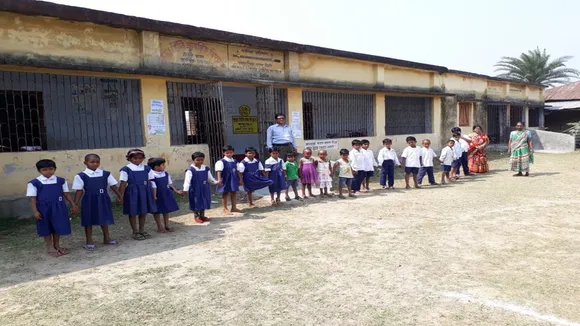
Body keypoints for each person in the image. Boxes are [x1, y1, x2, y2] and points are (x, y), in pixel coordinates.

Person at [27, 159, 77, 257]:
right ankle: (50, 247)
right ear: (39, 171)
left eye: (51, 169)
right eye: (44, 170)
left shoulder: (61, 181)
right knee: (46, 226)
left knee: (57, 225)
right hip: (43, 208)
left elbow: (66, 194)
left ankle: (57, 245)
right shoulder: (34, 183)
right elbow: (33, 198)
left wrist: (73, 204)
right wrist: (35, 211)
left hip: (58, 206)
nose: (48, 172)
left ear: (55, 169)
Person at [72, 154, 122, 251]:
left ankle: (107, 238)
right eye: (92, 162)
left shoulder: (106, 174)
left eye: (97, 162)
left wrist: (120, 195)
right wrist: (75, 204)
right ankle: (89, 240)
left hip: (103, 198)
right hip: (89, 199)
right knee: (88, 219)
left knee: (104, 217)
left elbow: (113, 186)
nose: (95, 164)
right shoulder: (81, 176)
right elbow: (79, 191)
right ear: (85, 163)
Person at [119, 149, 157, 241]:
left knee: (143, 211)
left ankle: (142, 230)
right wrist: (121, 195)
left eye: (140, 158)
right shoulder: (126, 169)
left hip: (144, 191)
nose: (138, 160)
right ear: (129, 158)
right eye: (135, 158)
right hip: (132, 192)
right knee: (133, 212)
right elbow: (123, 183)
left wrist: (152, 193)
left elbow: (150, 181)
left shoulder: (147, 168)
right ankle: (135, 231)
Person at [149, 157, 182, 233]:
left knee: (166, 210)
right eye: (163, 165)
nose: (164, 166)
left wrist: (176, 191)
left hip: (166, 194)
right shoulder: (151, 175)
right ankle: (160, 227)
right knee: (156, 211)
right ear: (156, 167)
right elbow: (153, 186)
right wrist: (154, 196)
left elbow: (170, 184)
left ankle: (167, 225)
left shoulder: (166, 173)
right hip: (157, 195)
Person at [184, 152, 217, 223]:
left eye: (201, 160)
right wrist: (185, 190)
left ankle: (202, 215)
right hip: (195, 189)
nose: (200, 162)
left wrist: (216, 182)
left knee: (204, 201)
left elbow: (210, 178)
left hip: (204, 188)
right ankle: (196, 216)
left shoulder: (205, 168)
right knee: (196, 202)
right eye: (198, 160)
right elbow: (187, 181)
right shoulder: (190, 170)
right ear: (193, 160)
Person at [216, 145, 242, 215]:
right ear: (223, 153)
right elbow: (219, 171)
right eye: (227, 153)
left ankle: (234, 207)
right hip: (225, 179)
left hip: (233, 179)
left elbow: (238, 171)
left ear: (233, 152)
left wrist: (240, 180)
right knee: (225, 193)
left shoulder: (235, 161)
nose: (229, 154)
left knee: (233, 192)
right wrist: (219, 180)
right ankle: (225, 208)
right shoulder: (221, 162)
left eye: (231, 152)